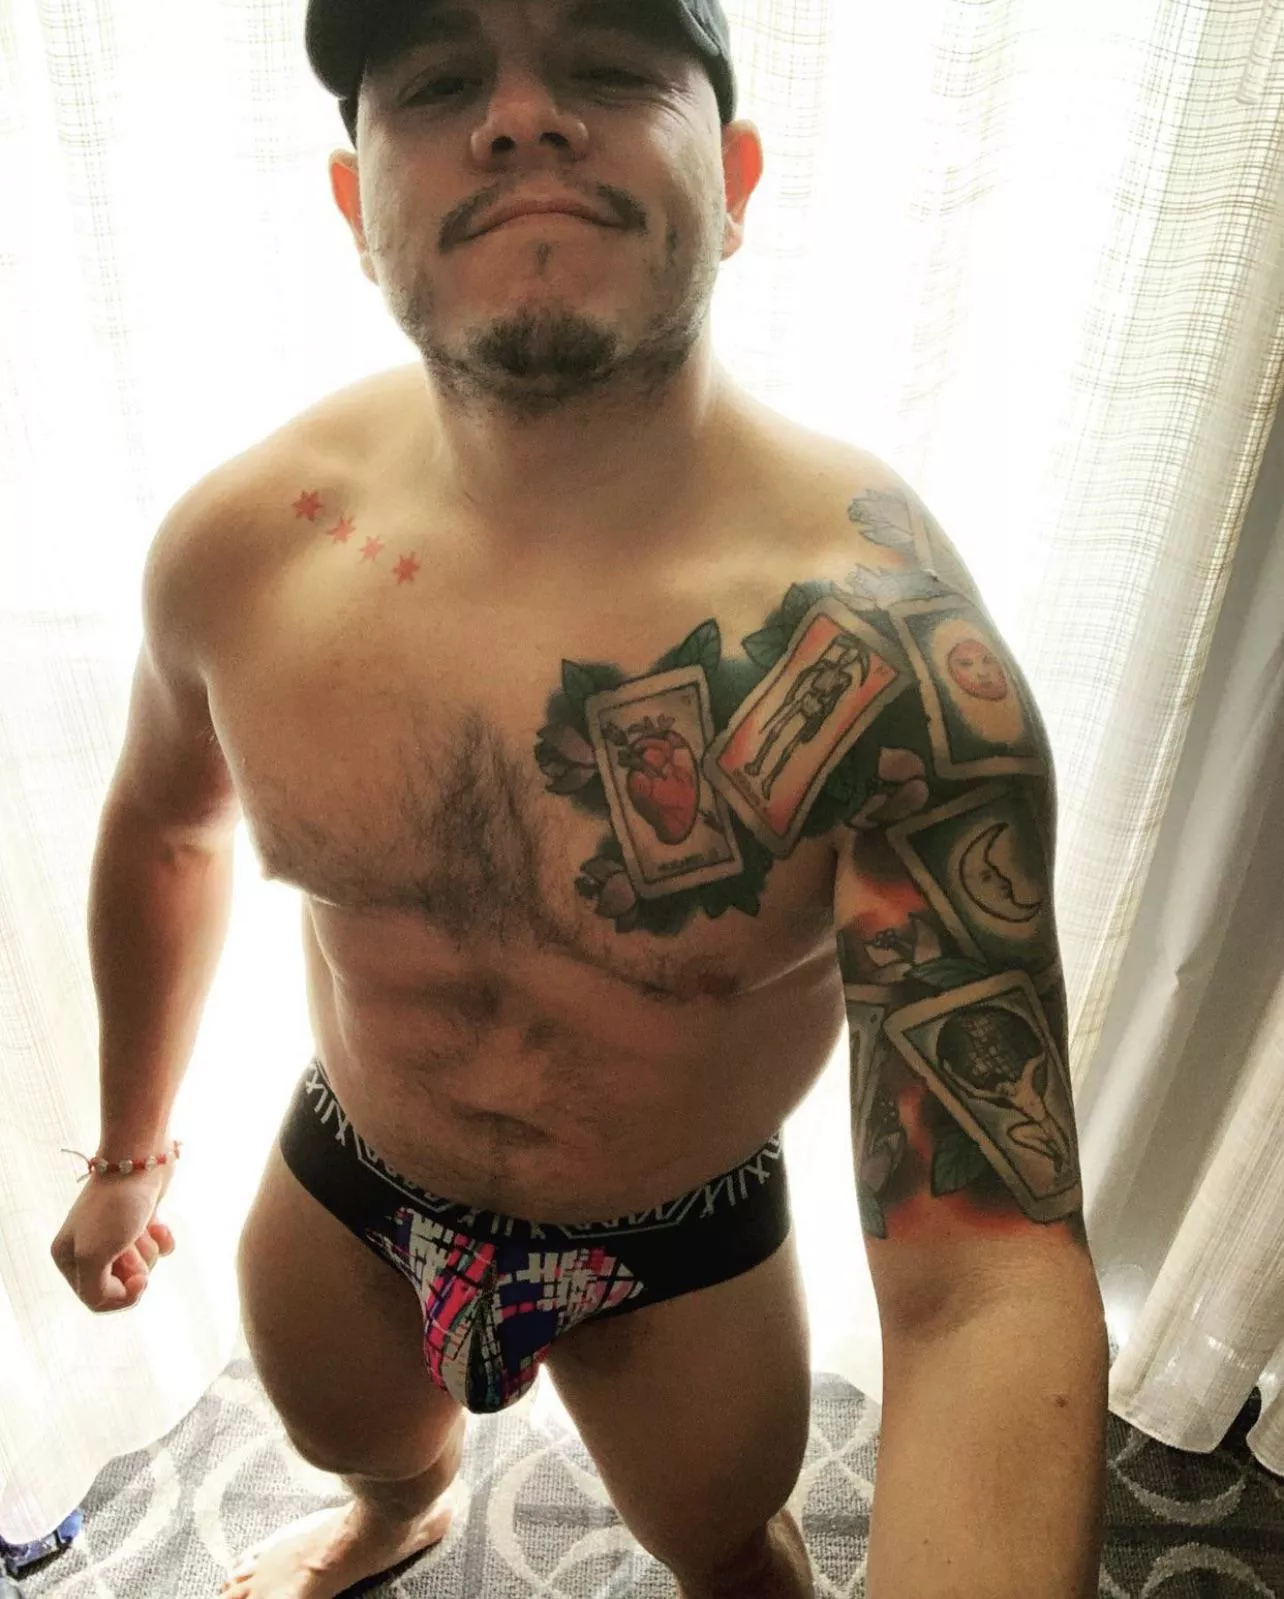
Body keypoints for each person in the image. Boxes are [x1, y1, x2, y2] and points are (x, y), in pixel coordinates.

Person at [49, 2, 1109, 1596]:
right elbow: (165, 825)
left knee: (726, 1548)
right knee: (355, 1434)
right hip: (354, 1172)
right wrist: (129, 1148)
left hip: (676, 1240)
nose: (523, 116)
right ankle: (398, 1514)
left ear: (734, 183)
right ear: (354, 209)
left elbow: (986, 1277)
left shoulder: (884, 658)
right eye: (438, 82)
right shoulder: (244, 549)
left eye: (610, 66)